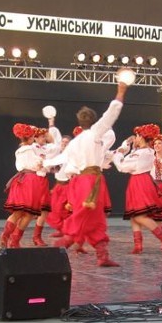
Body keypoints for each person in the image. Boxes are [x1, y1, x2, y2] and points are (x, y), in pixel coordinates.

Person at [53, 79, 129, 267]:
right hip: (90, 180)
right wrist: (120, 92)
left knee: (94, 216)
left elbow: (63, 161)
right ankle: (66, 240)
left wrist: (44, 163)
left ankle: (101, 255)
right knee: (88, 213)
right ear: (93, 121)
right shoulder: (95, 133)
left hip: (80, 180)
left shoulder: (74, 142)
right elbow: (111, 114)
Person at [112, 124, 162, 254]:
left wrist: (118, 154)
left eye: (138, 136)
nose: (136, 138)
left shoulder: (140, 154)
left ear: (142, 137)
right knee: (135, 216)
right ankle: (138, 245)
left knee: (139, 216)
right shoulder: (148, 152)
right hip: (143, 181)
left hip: (139, 183)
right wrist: (130, 148)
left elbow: (122, 166)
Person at [0, 123, 47, 248]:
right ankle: (15, 240)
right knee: (29, 213)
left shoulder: (19, 151)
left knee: (18, 212)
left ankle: (5, 235)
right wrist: (43, 162)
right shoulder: (30, 150)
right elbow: (37, 165)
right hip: (31, 181)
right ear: (31, 138)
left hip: (20, 179)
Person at [30, 122, 62, 246]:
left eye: (45, 136)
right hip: (32, 180)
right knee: (27, 211)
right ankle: (14, 236)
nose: (45, 138)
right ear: (35, 137)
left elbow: (57, 147)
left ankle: (37, 237)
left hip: (42, 181)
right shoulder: (30, 148)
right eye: (42, 136)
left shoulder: (47, 148)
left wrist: (49, 134)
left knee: (44, 210)